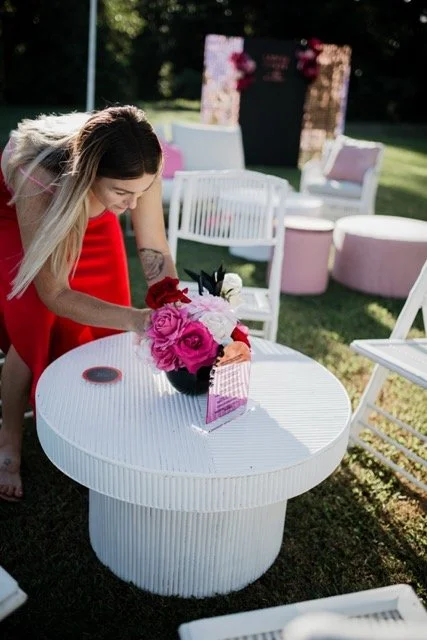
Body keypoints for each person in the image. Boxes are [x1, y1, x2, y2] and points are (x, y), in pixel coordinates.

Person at [0, 104, 178, 502]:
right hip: (19, 216)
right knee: (35, 327)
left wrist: (169, 300)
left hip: (92, 210)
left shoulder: (139, 169)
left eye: (142, 193)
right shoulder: (39, 176)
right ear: (90, 174)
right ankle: (9, 440)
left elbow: (153, 247)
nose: (133, 205)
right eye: (123, 192)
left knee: (104, 322)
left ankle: (94, 426)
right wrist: (138, 319)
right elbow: (55, 293)